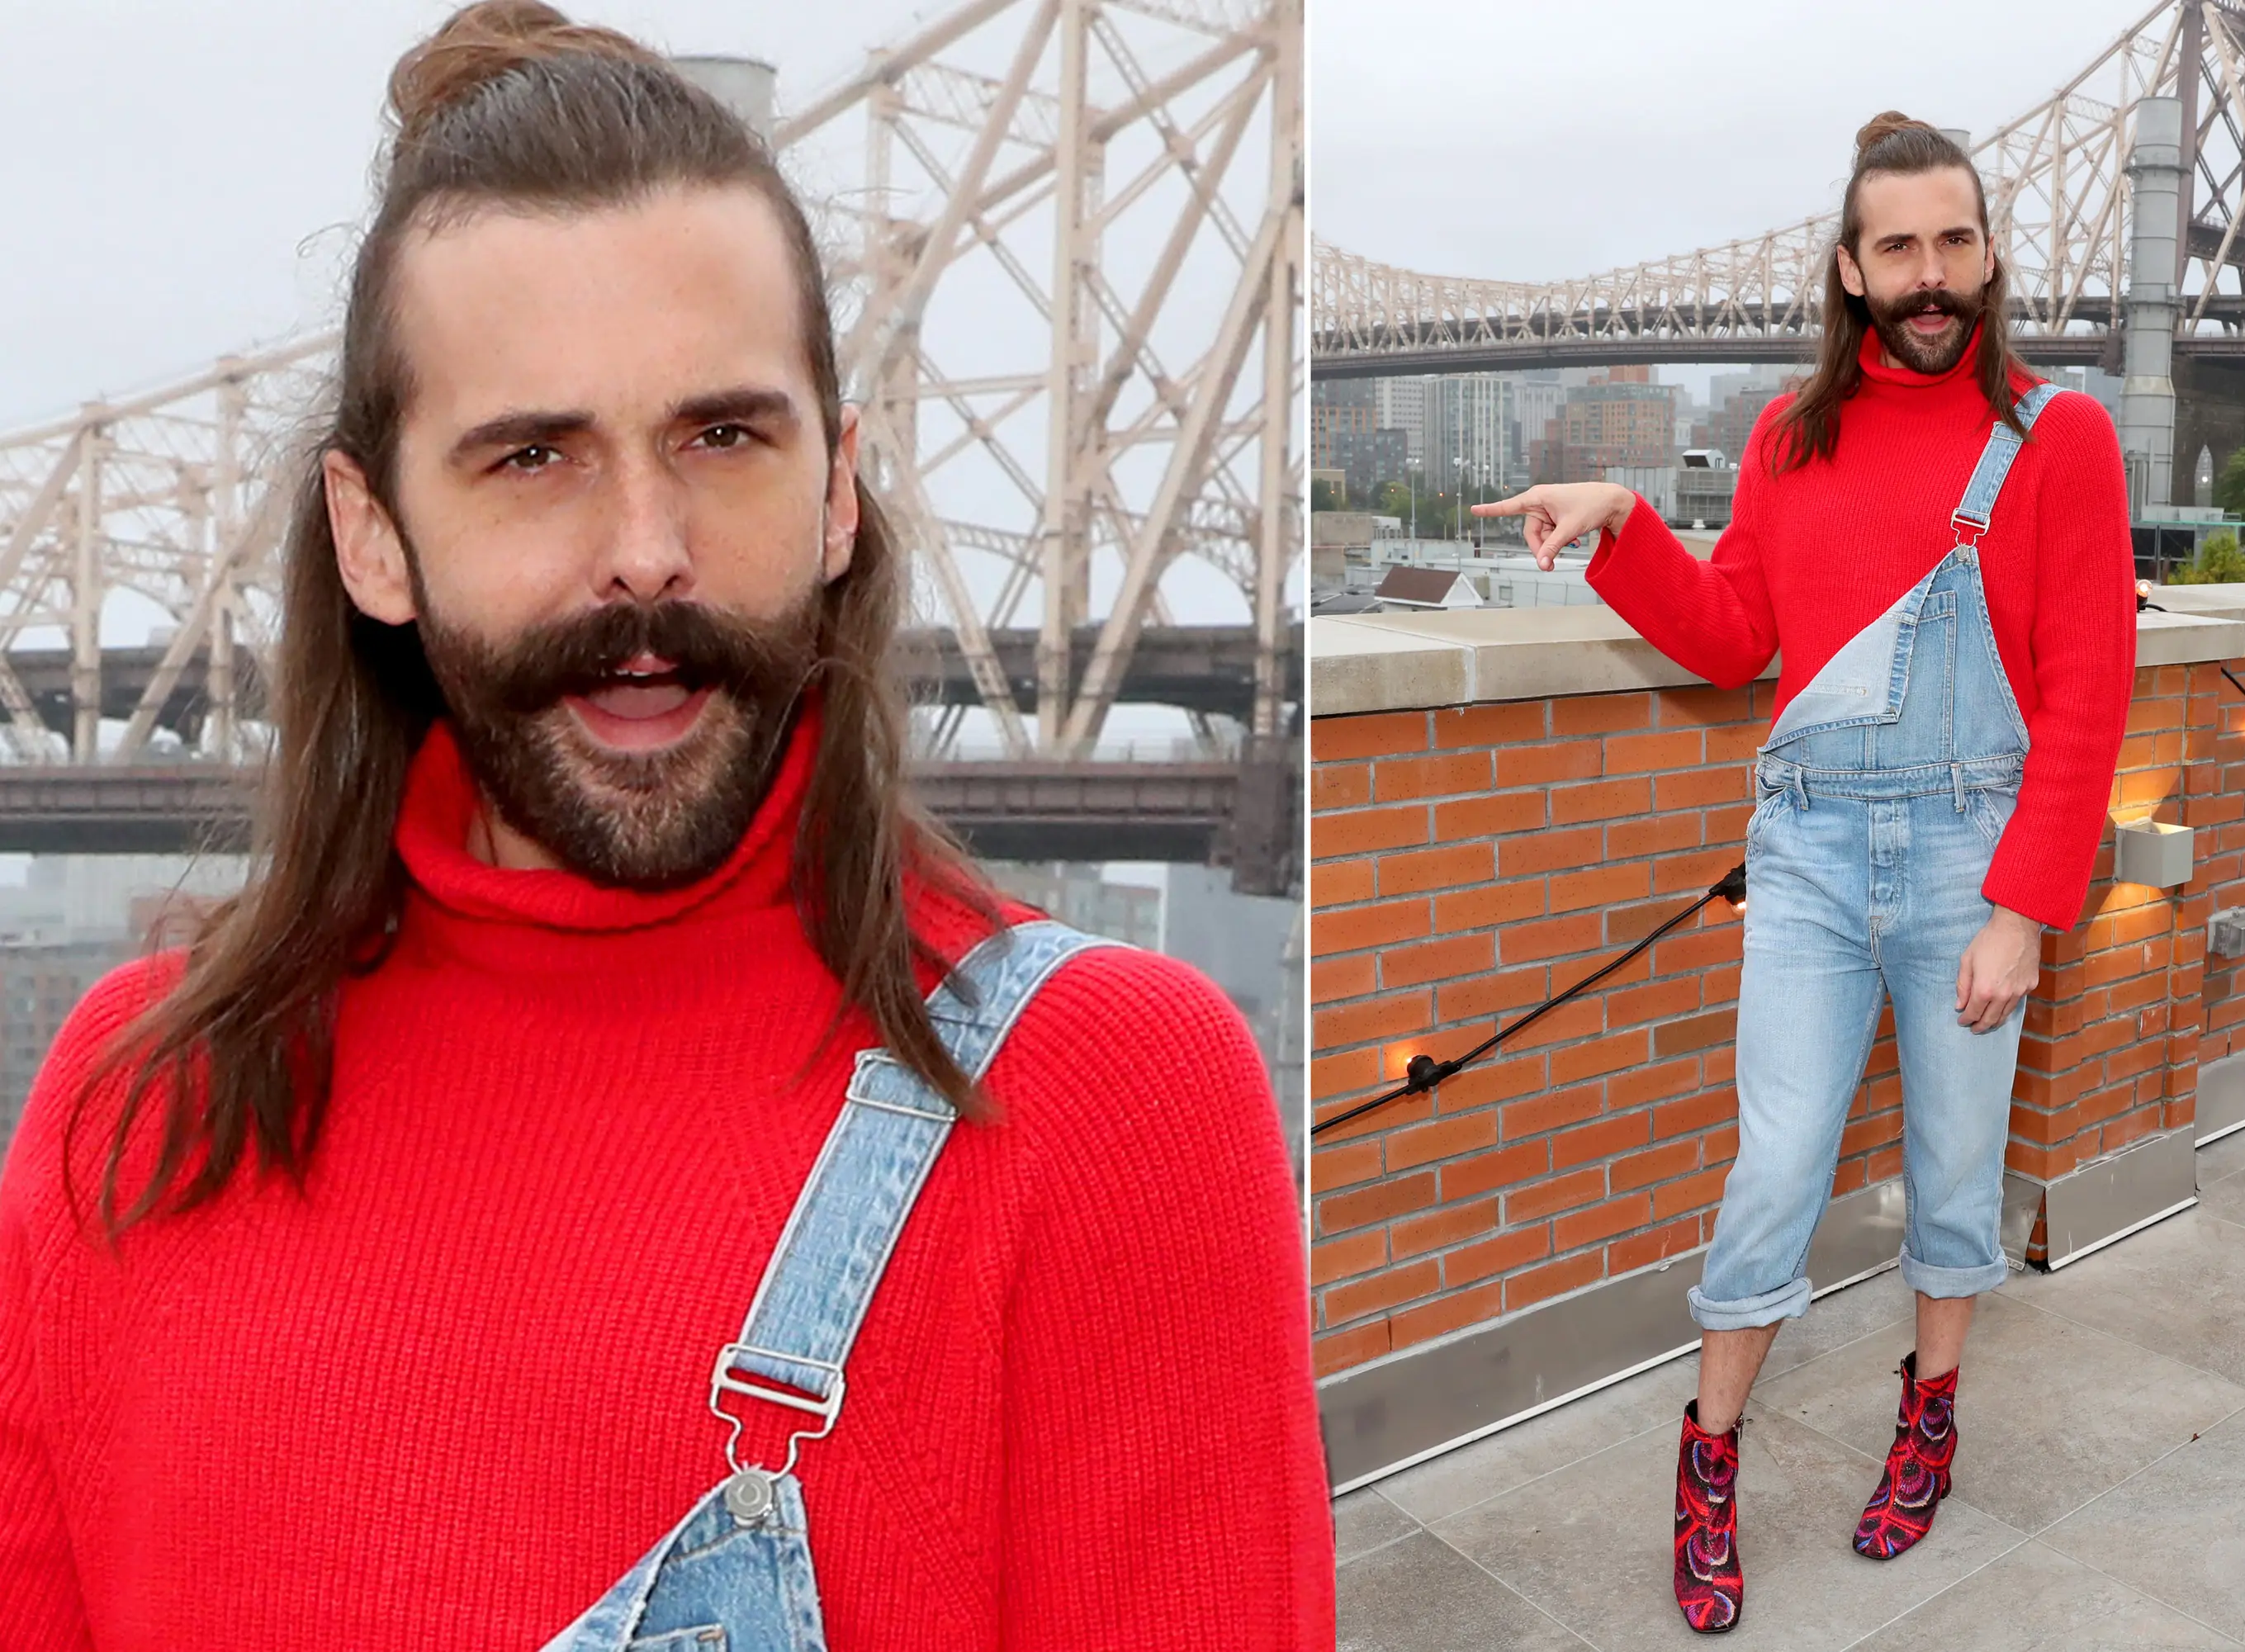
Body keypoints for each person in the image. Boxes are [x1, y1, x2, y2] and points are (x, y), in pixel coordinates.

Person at [0, 6, 1333, 1648]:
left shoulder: (1103, 1105)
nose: (645, 552)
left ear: (838, 487)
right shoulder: (132, 1113)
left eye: (722, 435)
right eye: (533, 456)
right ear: (373, 536)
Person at [1475, 113, 2134, 1634]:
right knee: (1775, 1169)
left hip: (1979, 852)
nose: (1928, 275)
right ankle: (1708, 1461)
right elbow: (1729, 642)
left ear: (1989, 256)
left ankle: (1932, 1418)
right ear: (1849, 270)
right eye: (1895, 246)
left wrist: (2028, 909)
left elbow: (2089, 688)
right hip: (1814, 850)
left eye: (1953, 242)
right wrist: (1630, 524)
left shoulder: (2062, 437)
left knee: (1960, 1175)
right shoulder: (1789, 436)